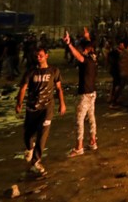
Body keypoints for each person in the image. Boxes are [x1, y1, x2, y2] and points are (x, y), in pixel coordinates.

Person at [15, 46, 66, 177]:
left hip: (47, 108)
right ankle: (30, 149)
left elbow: (59, 88)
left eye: (41, 55)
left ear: (46, 56)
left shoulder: (54, 71)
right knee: (28, 134)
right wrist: (19, 103)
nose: (38, 58)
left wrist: (62, 104)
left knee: (42, 135)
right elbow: (23, 88)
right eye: (36, 56)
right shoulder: (30, 72)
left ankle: (36, 162)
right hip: (32, 108)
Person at [64, 28, 99, 157]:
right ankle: (93, 141)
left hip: (85, 94)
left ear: (86, 49)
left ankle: (79, 147)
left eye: (83, 49)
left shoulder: (86, 60)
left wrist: (69, 44)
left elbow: (78, 56)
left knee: (79, 120)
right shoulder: (94, 58)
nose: (82, 51)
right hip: (92, 93)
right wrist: (87, 37)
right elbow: (89, 47)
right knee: (91, 118)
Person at [110, 40, 128, 108]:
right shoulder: (127, 53)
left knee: (121, 87)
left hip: (125, 72)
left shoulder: (124, 52)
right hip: (126, 72)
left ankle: (114, 102)